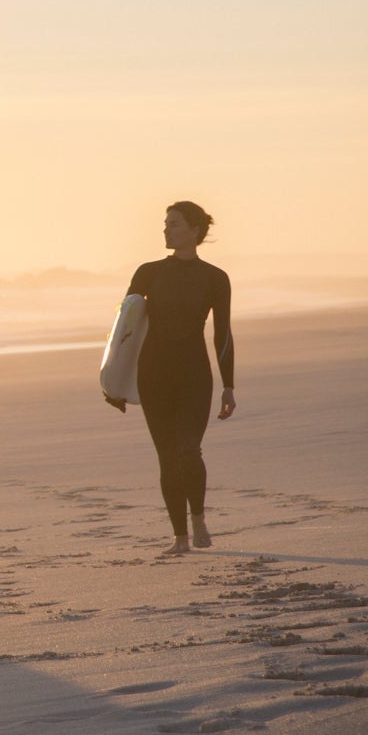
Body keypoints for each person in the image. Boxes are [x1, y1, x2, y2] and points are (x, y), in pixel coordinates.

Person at [106, 202, 236, 555]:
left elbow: (222, 335)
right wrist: (112, 381)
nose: (166, 230)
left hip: (195, 374)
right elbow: (124, 330)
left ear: (194, 230)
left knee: (189, 449)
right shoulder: (148, 273)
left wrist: (229, 385)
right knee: (167, 455)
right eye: (165, 224)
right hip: (154, 374)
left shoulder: (215, 278)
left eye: (174, 224)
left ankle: (198, 518)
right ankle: (179, 536)